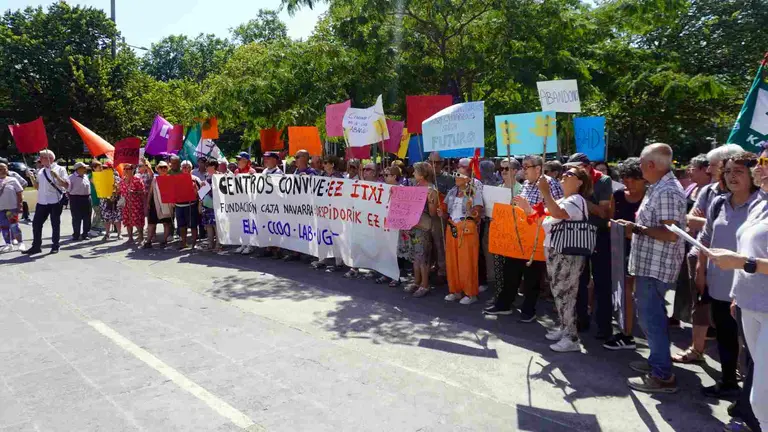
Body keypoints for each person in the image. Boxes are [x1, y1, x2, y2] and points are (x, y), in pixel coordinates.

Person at [616, 143, 686, 394]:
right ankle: (657, 364)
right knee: (650, 317)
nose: (639, 167)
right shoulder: (660, 187)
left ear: (652, 165)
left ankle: (662, 375)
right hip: (649, 264)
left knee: (652, 319)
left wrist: (636, 229)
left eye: (642, 163)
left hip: (656, 267)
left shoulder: (666, 190)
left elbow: (671, 235)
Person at [708, 144, 768, 432]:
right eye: (759, 160)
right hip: (748, 302)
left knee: (762, 393)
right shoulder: (760, 202)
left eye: (765, 161)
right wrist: (736, 294)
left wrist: (745, 263)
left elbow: (746, 258)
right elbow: (744, 248)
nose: (759, 167)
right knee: (758, 385)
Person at [695, 152, 760, 400]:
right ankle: (729, 382)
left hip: (749, 286)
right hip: (720, 283)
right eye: (729, 171)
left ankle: (753, 397)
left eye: (739, 171)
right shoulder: (719, 203)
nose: (732, 177)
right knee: (725, 335)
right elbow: (706, 237)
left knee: (753, 344)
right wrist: (701, 269)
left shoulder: (761, 205)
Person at [673, 145, 742, 364]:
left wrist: (711, 223)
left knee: (735, 311)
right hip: (701, 254)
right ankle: (697, 349)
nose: (709, 169)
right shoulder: (708, 191)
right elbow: (690, 220)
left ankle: (740, 361)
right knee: (701, 304)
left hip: (734, 259)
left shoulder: (748, 195)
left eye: (713, 165)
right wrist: (715, 223)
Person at [521, 166, 592, 352]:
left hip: (567, 254)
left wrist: (545, 191)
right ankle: (564, 327)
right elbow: (543, 216)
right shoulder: (562, 199)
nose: (564, 176)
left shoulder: (576, 200)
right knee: (559, 292)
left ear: (579, 182)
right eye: (565, 173)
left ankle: (571, 337)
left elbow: (558, 213)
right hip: (555, 252)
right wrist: (528, 208)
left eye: (570, 174)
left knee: (565, 293)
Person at [484, 155, 563, 321]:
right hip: (518, 235)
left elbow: (555, 213)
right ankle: (504, 304)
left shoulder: (550, 185)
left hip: (536, 238)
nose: (523, 170)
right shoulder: (526, 184)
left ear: (538, 168)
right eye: (523, 166)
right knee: (510, 271)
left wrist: (528, 210)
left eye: (526, 166)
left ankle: (529, 309)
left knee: (532, 276)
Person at [564, 153, 615, 339]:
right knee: (578, 280)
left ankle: (604, 326)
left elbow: (604, 213)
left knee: (602, 282)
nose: (571, 173)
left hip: (599, 234)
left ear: (586, 167)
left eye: (575, 169)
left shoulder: (603, 181)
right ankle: (581, 320)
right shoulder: (571, 181)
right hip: (577, 234)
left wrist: (579, 200)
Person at [603, 158, 646, 350]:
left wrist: (634, 231)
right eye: (625, 178)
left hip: (645, 250)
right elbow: (609, 221)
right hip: (621, 249)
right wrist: (616, 226)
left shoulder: (651, 197)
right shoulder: (618, 195)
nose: (628, 182)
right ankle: (625, 332)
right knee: (625, 291)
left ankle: (630, 332)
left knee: (638, 292)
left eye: (633, 178)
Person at [438, 158, 483, 305]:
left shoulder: (474, 190)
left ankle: (470, 293)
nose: (457, 175)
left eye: (460, 172)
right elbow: (445, 210)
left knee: (467, 261)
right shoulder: (452, 190)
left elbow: (478, 213)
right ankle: (455, 290)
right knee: (452, 261)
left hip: (467, 228)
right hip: (452, 227)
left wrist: (472, 211)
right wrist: (441, 213)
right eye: (457, 172)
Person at [23, 149, 69, 255]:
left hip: (55, 201)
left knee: (55, 224)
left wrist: (56, 176)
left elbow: (66, 185)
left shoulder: (60, 169)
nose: (40, 160)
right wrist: (31, 177)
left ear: (50, 158)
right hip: (42, 202)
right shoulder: (41, 171)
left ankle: (55, 246)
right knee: (36, 224)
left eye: (42, 157)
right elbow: (37, 187)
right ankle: (36, 246)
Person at [405, 162, 438, 298]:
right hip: (413, 226)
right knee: (415, 256)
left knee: (422, 256)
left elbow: (432, 213)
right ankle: (416, 281)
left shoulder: (431, 190)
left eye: (415, 171)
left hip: (423, 227)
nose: (413, 173)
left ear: (423, 174)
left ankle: (425, 284)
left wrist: (431, 201)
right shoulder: (415, 187)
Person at [429, 152, 455, 285]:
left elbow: (452, 198)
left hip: (440, 216)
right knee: (428, 243)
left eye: (438, 162)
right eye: (432, 162)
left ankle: (442, 271)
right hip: (426, 215)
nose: (435, 165)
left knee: (440, 243)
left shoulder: (449, 179)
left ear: (442, 163)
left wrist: (439, 195)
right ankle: (431, 266)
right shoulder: (425, 178)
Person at [143, 161, 173, 249]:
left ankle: (164, 241)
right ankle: (148, 241)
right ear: (158, 169)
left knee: (166, 223)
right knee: (151, 223)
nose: (163, 169)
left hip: (166, 204)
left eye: (165, 167)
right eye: (161, 168)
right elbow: (151, 192)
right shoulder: (155, 179)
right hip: (155, 204)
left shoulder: (170, 179)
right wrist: (148, 202)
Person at [174, 160, 202, 249]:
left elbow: (201, 193)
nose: (186, 169)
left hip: (191, 205)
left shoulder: (195, 179)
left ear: (191, 168)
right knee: (181, 226)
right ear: (181, 168)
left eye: (188, 167)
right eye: (184, 167)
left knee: (193, 225)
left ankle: (194, 243)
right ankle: (184, 242)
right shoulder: (176, 178)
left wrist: (195, 191)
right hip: (179, 206)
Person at [0, 162, 24, 252]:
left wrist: (20, 204)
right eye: (0, 169)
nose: (2, 171)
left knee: (14, 226)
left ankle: (20, 243)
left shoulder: (13, 180)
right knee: (4, 227)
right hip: (1, 209)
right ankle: (8, 244)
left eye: (4, 168)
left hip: (11, 208)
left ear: (7, 169)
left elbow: (19, 193)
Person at [119, 164, 146, 244]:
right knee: (127, 221)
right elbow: (120, 192)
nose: (126, 170)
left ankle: (141, 237)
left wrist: (135, 192)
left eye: (128, 169)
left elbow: (143, 192)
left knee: (137, 221)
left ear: (132, 170)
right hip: (126, 205)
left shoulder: (137, 180)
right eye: (125, 169)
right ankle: (130, 238)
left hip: (136, 204)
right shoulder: (122, 181)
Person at [67, 162, 92, 241]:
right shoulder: (71, 177)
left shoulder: (86, 176)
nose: (85, 169)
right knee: (76, 218)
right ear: (78, 169)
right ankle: (76, 234)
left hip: (87, 198)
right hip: (75, 198)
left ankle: (85, 234)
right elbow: (67, 190)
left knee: (87, 217)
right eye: (84, 168)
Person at [200, 160, 220, 252]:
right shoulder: (207, 176)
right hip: (207, 205)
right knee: (208, 225)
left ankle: (218, 244)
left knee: (216, 226)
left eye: (208, 165)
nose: (206, 167)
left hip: (216, 205)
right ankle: (210, 243)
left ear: (213, 166)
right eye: (206, 165)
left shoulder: (219, 176)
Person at [99, 161, 122, 241]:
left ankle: (119, 234)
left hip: (115, 199)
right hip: (104, 200)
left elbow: (120, 188)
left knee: (117, 218)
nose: (104, 169)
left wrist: (116, 189)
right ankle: (107, 234)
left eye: (106, 167)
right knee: (106, 218)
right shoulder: (100, 177)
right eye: (103, 167)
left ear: (111, 168)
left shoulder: (116, 177)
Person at [88, 161, 105, 236]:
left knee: (101, 213)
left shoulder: (101, 175)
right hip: (95, 197)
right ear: (94, 168)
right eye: (99, 167)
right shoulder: (91, 176)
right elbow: (97, 186)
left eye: (101, 167)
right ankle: (92, 229)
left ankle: (99, 229)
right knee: (98, 213)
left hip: (102, 196)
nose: (101, 168)